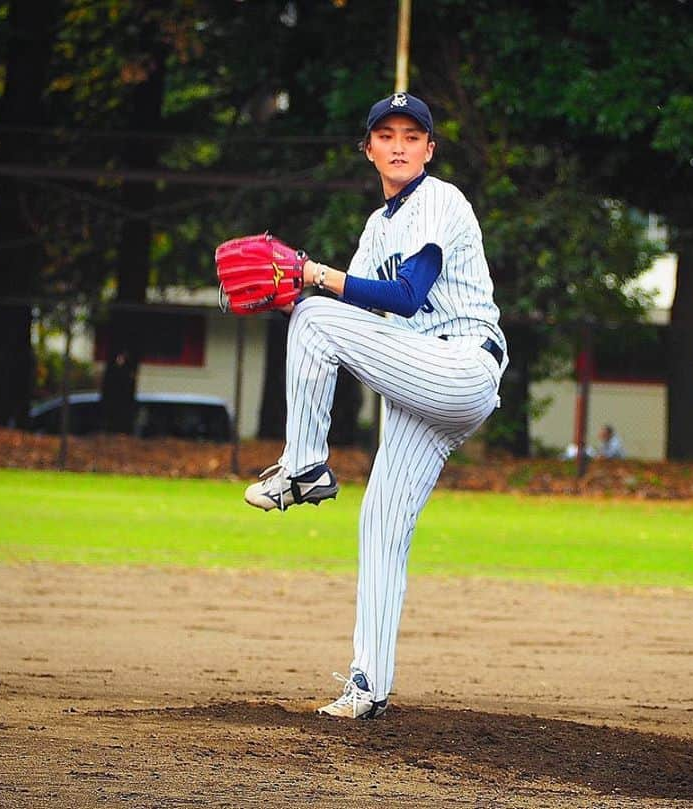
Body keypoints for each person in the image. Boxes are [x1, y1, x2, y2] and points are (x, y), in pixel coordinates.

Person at [243, 92, 507, 720]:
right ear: (368, 149)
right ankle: (370, 686)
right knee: (380, 525)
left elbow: (409, 296)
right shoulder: (375, 227)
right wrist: (292, 295)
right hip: (422, 382)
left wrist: (310, 277)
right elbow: (357, 310)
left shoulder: (441, 199)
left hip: (461, 364)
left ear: (429, 149)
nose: (398, 145)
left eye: (412, 136)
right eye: (385, 135)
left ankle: (304, 466)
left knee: (313, 308)